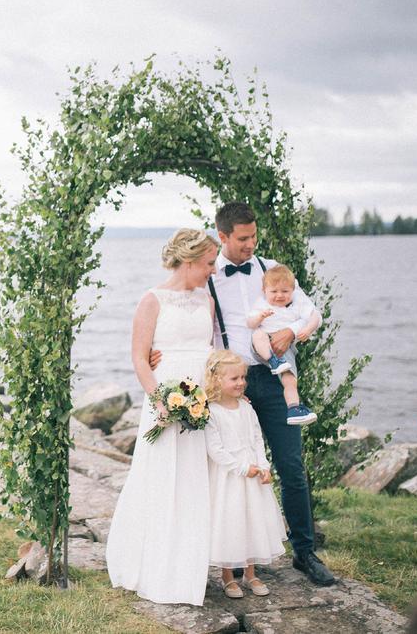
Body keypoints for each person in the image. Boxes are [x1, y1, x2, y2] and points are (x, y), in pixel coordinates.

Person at [150, 201, 335, 587]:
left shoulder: (273, 271)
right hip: (229, 385)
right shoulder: (209, 277)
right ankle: (227, 559)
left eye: (254, 236)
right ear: (223, 237)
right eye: (243, 238)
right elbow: (187, 322)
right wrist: (158, 353)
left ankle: (304, 552)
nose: (251, 244)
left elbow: (307, 312)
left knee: (290, 465)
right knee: (228, 470)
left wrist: (295, 333)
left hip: (274, 377)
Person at [106, 227, 218, 606]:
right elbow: (140, 357)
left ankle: (188, 569)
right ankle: (151, 565)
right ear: (189, 261)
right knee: (160, 479)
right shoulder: (152, 300)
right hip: (164, 403)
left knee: (195, 482)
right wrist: (162, 400)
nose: (213, 270)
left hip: (202, 401)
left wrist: (213, 396)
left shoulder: (207, 299)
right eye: (208, 263)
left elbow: (209, 350)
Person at [203, 349, 287, 598]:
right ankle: (228, 577)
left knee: (252, 521)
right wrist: (241, 468)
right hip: (230, 477)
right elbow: (214, 449)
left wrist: (263, 466)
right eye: (234, 379)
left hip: (253, 474)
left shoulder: (246, 408)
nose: (241, 383)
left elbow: (256, 439)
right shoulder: (212, 411)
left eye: (243, 377)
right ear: (217, 380)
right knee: (231, 523)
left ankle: (251, 573)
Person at [247, 264, 320, 425]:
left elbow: (315, 316)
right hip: (263, 344)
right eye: (274, 291)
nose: (279, 295)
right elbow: (250, 323)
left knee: (290, 379)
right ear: (265, 291)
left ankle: (293, 408)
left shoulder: (297, 304)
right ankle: (273, 360)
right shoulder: (262, 303)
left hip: (285, 347)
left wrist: (307, 330)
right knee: (258, 334)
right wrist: (260, 317)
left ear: (293, 291)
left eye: (285, 291)